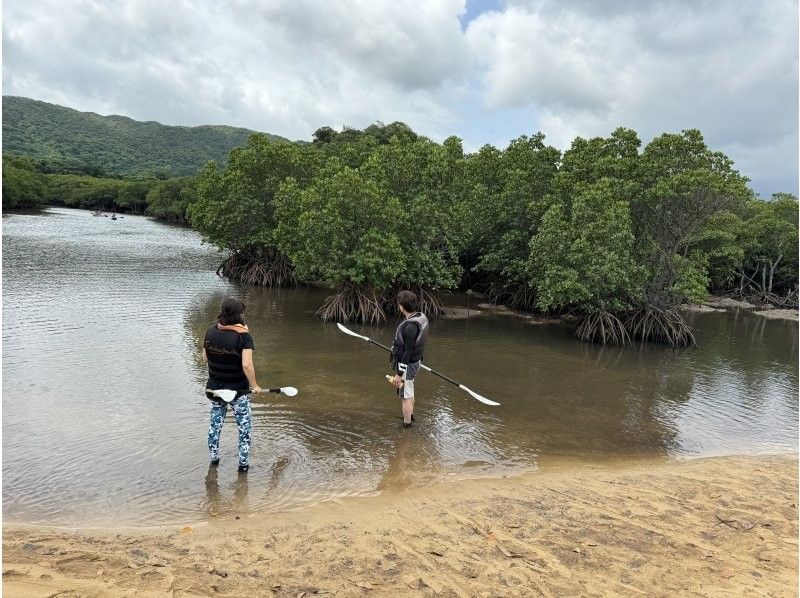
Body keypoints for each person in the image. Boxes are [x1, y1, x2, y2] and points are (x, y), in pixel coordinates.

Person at [202, 298, 261, 472]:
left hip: (214, 389)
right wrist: (255, 386)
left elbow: (204, 357)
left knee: (215, 426)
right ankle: (243, 465)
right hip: (238, 391)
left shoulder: (210, 331)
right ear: (239, 315)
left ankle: (214, 460)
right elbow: (247, 365)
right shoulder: (244, 337)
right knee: (244, 428)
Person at [389, 290, 429, 427]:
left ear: (402, 306)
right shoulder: (419, 317)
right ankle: (410, 416)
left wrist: (399, 374)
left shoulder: (410, 326)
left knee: (405, 397)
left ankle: (407, 426)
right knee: (409, 390)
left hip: (407, 365)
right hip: (416, 362)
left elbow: (408, 352)